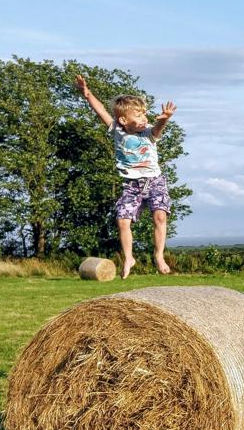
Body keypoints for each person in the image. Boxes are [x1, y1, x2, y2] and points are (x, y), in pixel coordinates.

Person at [75, 75, 177, 279]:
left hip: (154, 180)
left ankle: (158, 255)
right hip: (132, 185)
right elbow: (101, 111)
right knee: (122, 221)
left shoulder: (148, 133)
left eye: (145, 114)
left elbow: (157, 128)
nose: (145, 119)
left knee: (160, 216)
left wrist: (164, 119)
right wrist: (87, 94)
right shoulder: (117, 131)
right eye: (139, 116)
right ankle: (129, 257)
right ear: (124, 120)